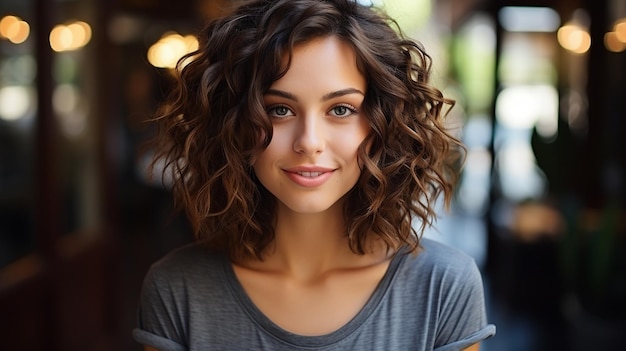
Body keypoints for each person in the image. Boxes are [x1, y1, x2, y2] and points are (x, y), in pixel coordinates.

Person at [133, 0, 496, 350]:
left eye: (340, 109)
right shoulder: (177, 290)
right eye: (279, 110)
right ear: (234, 125)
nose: (309, 142)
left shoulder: (443, 287)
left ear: (384, 125)